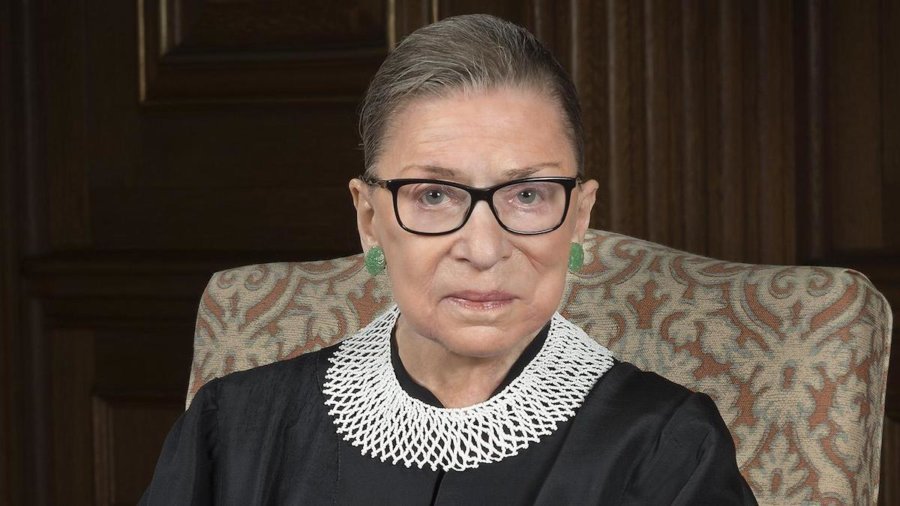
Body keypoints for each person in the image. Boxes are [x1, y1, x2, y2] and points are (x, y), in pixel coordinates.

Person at [140, 14, 757, 505]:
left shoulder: (669, 448)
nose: (484, 250)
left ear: (579, 215)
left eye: (527, 195)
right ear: (369, 219)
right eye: (433, 195)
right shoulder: (235, 428)